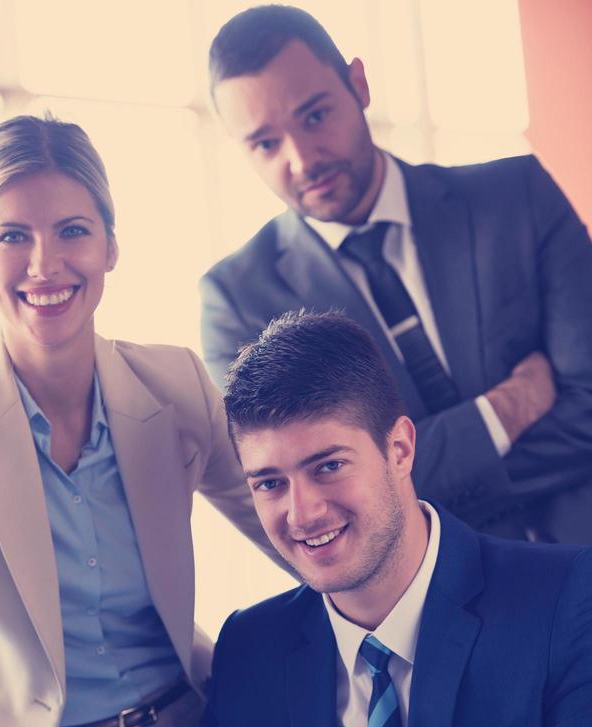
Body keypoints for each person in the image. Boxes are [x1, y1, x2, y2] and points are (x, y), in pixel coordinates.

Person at [162, 310, 592, 727]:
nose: (301, 512)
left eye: (328, 466)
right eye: (270, 484)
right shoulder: (253, 649)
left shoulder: (564, 600)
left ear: (400, 449)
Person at [0, 114, 280, 727]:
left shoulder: (176, 386)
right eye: (13, 236)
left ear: (111, 246)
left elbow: (295, 527)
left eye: (72, 230)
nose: (45, 264)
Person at [200, 4, 592, 544]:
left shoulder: (516, 197)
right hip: (443, 610)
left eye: (315, 116)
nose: (301, 158)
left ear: (358, 84)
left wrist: (408, 493)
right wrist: (504, 411)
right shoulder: (239, 301)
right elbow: (315, 508)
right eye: (266, 143)